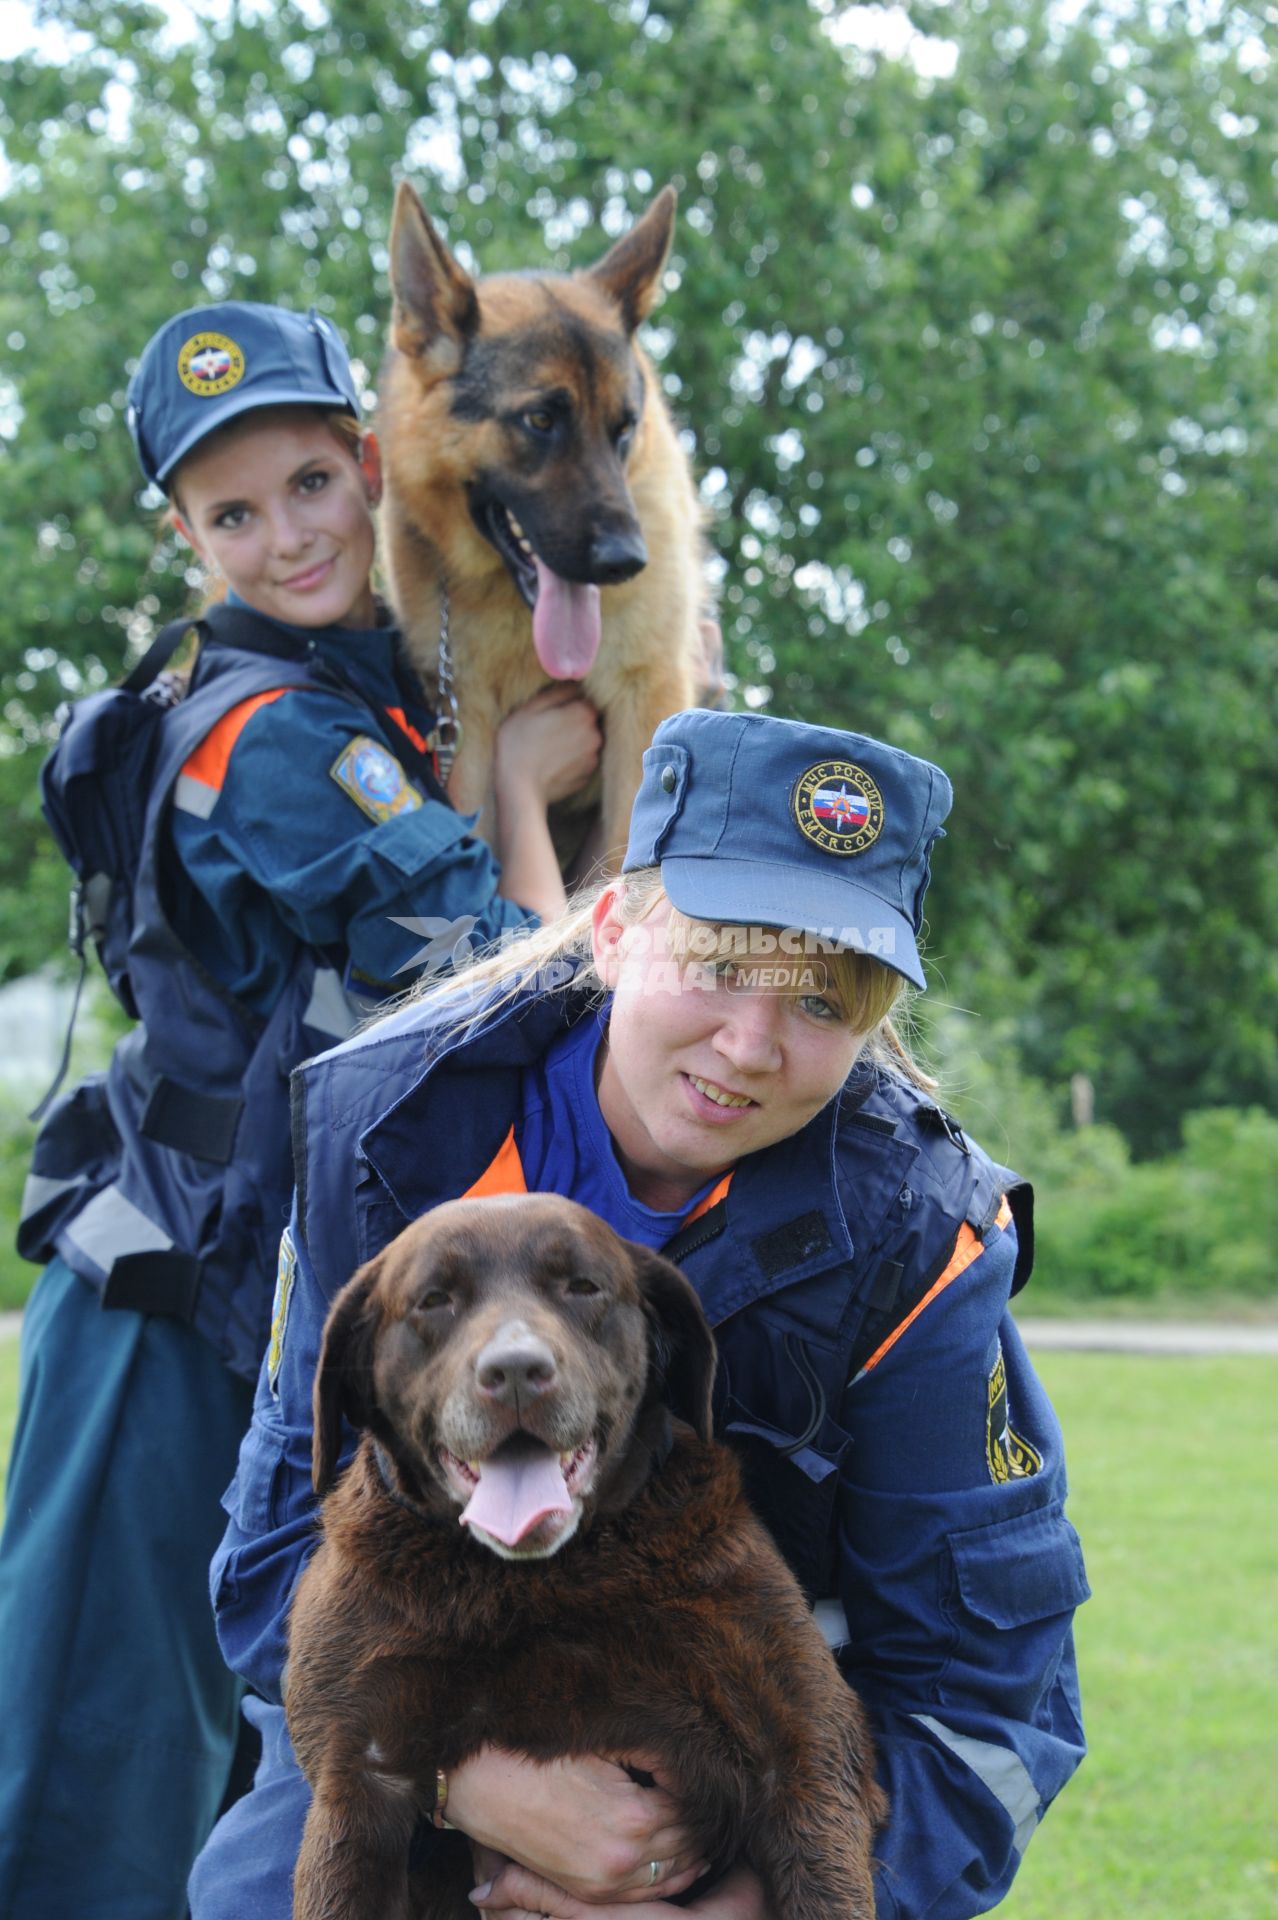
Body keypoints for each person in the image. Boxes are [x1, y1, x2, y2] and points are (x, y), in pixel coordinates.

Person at [190, 706, 1089, 1920]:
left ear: (876, 1025)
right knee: (253, 1892)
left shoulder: (923, 1238)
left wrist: (736, 1904)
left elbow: (989, 1704)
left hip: (749, 1781)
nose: (753, 1042)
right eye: (717, 966)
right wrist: (474, 1790)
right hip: (420, 1729)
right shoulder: (390, 1139)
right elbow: (266, 1568)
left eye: (823, 1003)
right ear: (612, 931)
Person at [0, 300, 601, 1919]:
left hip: (258, 1299)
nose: (286, 538)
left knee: (241, 1761)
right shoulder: (276, 739)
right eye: (231, 513)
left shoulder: (355, 698)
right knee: (89, 1773)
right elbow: (508, 974)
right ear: (181, 534)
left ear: (365, 461)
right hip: (158, 1311)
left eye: (310, 484)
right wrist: (528, 793)